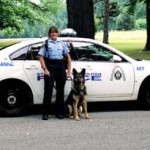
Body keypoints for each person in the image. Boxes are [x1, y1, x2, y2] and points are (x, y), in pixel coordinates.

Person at [38, 26, 71, 120]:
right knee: (48, 91)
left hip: (60, 66)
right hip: (50, 66)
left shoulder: (62, 43)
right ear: (49, 34)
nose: (54, 34)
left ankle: (59, 112)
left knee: (60, 91)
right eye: (52, 32)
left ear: (57, 33)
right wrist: (45, 69)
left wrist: (68, 71)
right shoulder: (46, 43)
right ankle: (45, 112)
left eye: (55, 32)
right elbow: (40, 57)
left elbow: (68, 57)